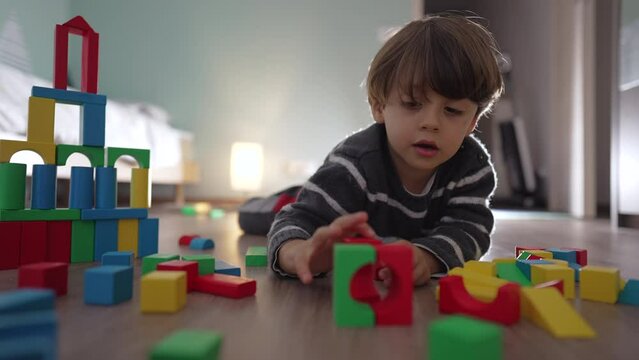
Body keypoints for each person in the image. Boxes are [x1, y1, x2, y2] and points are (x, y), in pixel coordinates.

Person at [265, 13, 503, 286]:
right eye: (412, 104)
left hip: (371, 224)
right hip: (326, 200)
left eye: (452, 111)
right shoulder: (353, 165)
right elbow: (300, 219)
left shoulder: (471, 167)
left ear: (472, 121)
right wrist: (297, 253)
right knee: (271, 211)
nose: (431, 123)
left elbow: (470, 230)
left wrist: (426, 257)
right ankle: (282, 198)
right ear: (379, 106)